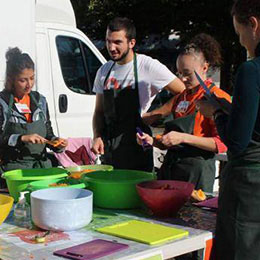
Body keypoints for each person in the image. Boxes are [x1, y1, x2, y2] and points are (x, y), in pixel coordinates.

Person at [197, 0, 260, 259]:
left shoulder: (251, 70)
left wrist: (217, 112)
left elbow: (236, 141)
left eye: (240, 33)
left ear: (253, 25)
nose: (241, 41)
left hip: (249, 188)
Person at [137, 33, 231, 193]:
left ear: (205, 68)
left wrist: (183, 138)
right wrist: (152, 140)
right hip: (173, 168)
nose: (182, 79)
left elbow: (222, 144)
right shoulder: (181, 97)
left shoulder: (218, 98)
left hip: (197, 171)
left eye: (187, 73)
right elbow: (170, 139)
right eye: (179, 73)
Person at [91, 17, 185, 172]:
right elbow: (99, 111)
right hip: (110, 150)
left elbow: (183, 92)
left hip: (137, 148)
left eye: (117, 42)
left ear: (131, 43)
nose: (111, 47)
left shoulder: (147, 66)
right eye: (108, 41)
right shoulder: (104, 71)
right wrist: (97, 136)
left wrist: (156, 113)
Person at [0, 47, 67, 187]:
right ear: (11, 79)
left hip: (41, 170)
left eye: (32, 78)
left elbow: (48, 133)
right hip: (15, 173)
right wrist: (21, 138)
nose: (29, 84)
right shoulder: (3, 103)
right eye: (23, 80)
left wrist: (56, 143)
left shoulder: (40, 101)